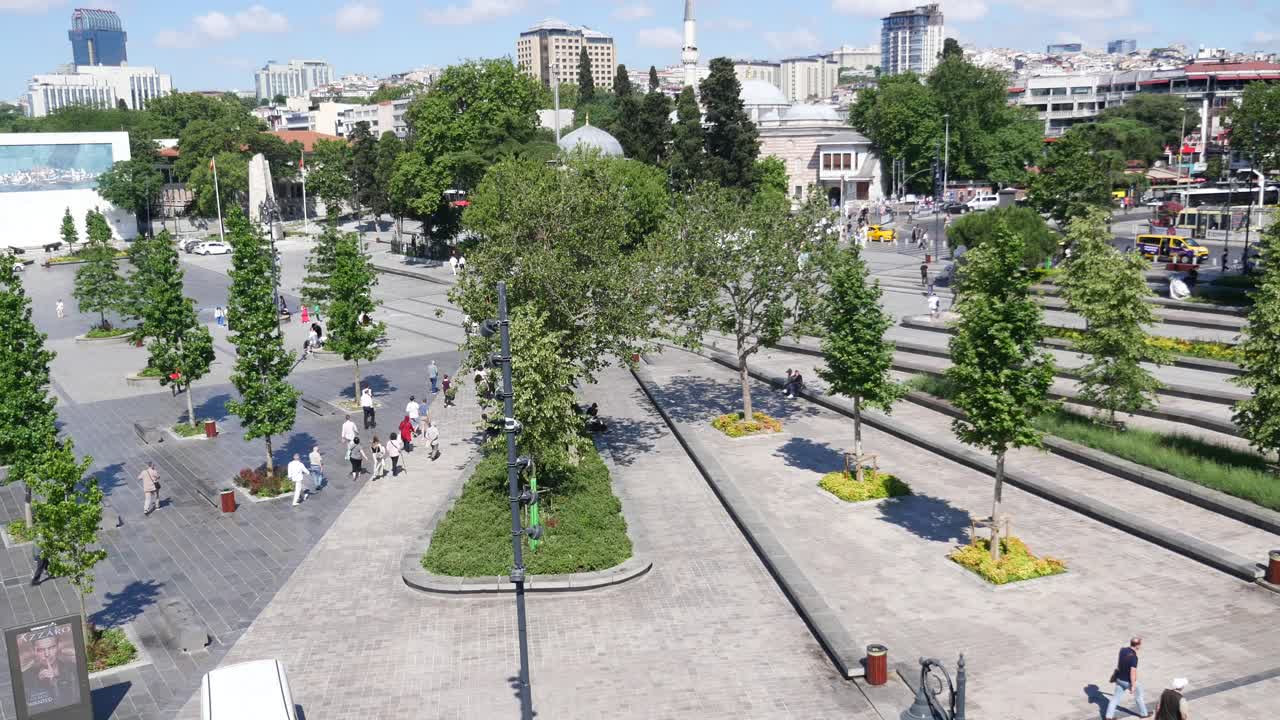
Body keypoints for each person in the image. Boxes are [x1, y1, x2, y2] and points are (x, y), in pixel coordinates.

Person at [21, 633, 80, 710]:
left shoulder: (73, 668)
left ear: (57, 646)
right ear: (34, 651)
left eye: (51, 647)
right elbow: (28, 705)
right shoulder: (25, 676)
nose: (47, 654)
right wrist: (38, 680)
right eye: (41, 650)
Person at [1106, 637, 1149, 720]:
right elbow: (1132, 672)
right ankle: (1144, 714)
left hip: (1119, 679)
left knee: (1115, 699)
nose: (1140, 646)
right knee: (1139, 696)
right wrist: (1133, 685)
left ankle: (1109, 717)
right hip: (1128, 681)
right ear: (1137, 645)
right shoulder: (1134, 658)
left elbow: (1119, 664)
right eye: (1140, 644)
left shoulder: (1122, 650)